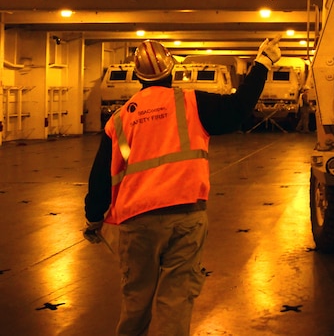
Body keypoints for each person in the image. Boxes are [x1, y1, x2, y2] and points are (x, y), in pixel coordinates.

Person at [82, 37, 281, 336]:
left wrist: (93, 217)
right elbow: (239, 107)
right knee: (175, 300)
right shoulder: (191, 103)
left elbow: (101, 176)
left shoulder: (121, 119)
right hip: (186, 217)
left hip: (137, 222)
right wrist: (263, 62)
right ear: (171, 71)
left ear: (138, 77)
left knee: (136, 300)